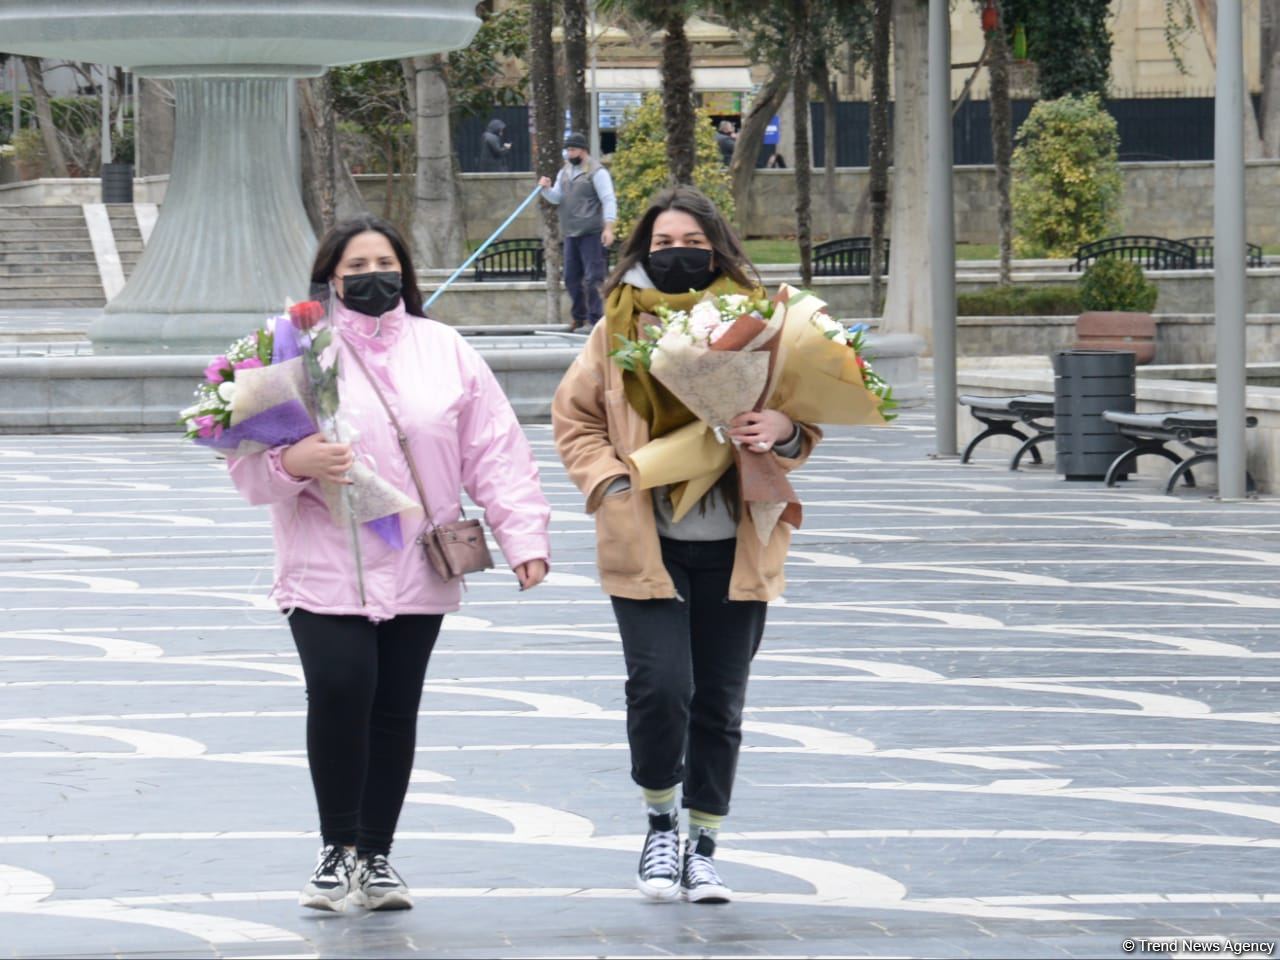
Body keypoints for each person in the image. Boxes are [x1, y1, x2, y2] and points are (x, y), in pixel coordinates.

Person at [227, 215, 551, 914]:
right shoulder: (292, 349)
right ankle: (335, 848)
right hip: (323, 562)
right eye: (356, 266)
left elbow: (493, 450)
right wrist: (295, 462)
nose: (373, 276)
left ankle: (376, 857)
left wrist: (523, 537)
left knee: (394, 707)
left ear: (405, 272)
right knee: (342, 688)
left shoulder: (447, 350)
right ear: (330, 278)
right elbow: (248, 473)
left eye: (385, 263)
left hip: (418, 563)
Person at [551, 186, 820, 904]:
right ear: (642, 251)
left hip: (738, 541)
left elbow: (804, 418)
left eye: (690, 243)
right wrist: (610, 482)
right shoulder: (616, 327)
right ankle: (660, 823)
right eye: (663, 245)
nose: (678, 255)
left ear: (716, 246)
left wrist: (782, 434)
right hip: (648, 543)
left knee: (720, 702)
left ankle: (704, 844)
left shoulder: (765, 323)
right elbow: (574, 419)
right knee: (661, 688)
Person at [538, 131, 617, 333]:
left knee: (593, 278)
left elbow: (608, 199)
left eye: (572, 149)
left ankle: (596, 320)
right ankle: (579, 318)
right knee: (572, 278)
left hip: (591, 232)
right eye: (568, 150)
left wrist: (609, 228)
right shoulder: (564, 172)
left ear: (583, 151)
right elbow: (557, 198)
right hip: (571, 234)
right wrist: (545, 189)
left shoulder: (597, 172)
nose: (569, 153)